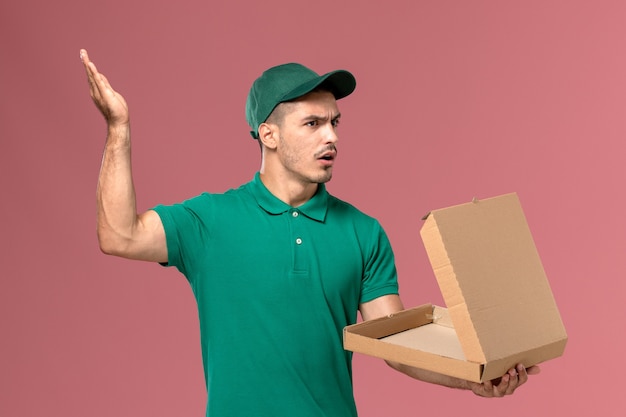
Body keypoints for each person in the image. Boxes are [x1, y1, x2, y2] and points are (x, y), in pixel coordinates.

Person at [80, 49, 539, 416]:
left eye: (334, 122)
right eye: (313, 123)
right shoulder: (210, 221)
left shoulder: (363, 232)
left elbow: (396, 346)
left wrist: (473, 379)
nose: (331, 137)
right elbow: (118, 235)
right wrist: (118, 128)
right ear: (269, 135)